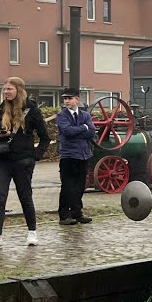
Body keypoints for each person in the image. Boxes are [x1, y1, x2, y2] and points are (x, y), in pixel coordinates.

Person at [0, 77, 50, 250]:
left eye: (9, 89)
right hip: (2, 161)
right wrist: (0, 134)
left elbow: (45, 137)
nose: (6, 92)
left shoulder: (31, 109)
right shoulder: (1, 108)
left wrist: (35, 156)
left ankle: (32, 232)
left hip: (23, 161)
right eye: (5, 89)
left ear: (19, 90)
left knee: (25, 197)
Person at [55, 88, 95, 225]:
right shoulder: (62, 116)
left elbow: (92, 132)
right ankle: (64, 215)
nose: (66, 101)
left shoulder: (85, 115)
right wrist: (83, 128)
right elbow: (67, 132)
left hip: (83, 155)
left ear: (77, 99)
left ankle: (77, 213)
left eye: (69, 98)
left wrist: (79, 131)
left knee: (80, 186)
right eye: (65, 98)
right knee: (67, 186)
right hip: (68, 155)